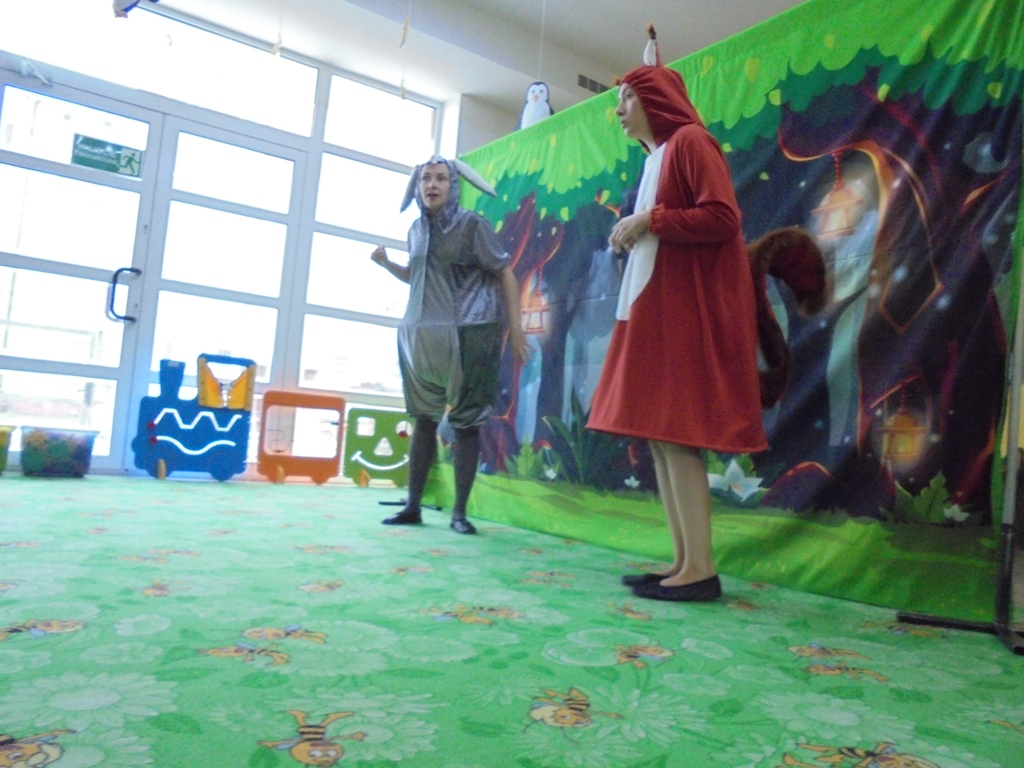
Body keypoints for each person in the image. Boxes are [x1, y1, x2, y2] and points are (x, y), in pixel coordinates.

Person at [587, 61, 768, 600]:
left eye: (627, 98)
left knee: (676, 434)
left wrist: (651, 220)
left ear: (655, 100)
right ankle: (684, 562)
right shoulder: (657, 157)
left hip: (683, 311)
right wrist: (642, 227)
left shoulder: (690, 141)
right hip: (659, 306)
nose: (618, 111)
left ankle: (700, 570)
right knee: (661, 434)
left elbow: (723, 217)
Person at [371, 156, 529, 534]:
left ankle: (459, 513)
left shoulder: (472, 225)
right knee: (424, 419)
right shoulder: (415, 230)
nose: (432, 185)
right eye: (426, 178)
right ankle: (413, 506)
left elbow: (504, 272)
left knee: (467, 421)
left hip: (470, 331)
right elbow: (418, 276)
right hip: (422, 335)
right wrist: (387, 264)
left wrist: (516, 328)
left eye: (441, 178)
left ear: (453, 185)